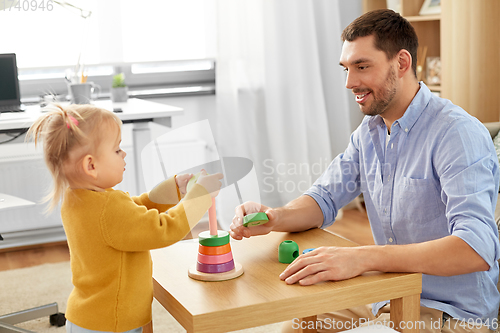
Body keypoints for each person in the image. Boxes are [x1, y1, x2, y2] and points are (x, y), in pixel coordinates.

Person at [230, 9, 500, 333]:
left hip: (448, 314)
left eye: (362, 66)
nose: (349, 82)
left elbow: (476, 248)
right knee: (299, 325)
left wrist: (363, 258)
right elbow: (325, 198)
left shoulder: (456, 134)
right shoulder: (369, 132)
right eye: (346, 68)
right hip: (385, 296)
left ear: (401, 63)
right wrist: (276, 217)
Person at [27, 104, 223, 333]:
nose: (124, 153)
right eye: (117, 149)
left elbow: (133, 212)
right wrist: (199, 197)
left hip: (87, 317)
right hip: (115, 322)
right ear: (91, 165)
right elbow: (163, 229)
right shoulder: (109, 207)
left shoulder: (77, 199)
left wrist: (174, 189)